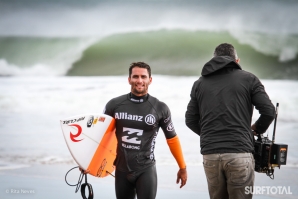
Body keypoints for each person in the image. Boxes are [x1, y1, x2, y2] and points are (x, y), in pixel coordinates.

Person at [185, 43, 275, 199]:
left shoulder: (200, 83)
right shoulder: (249, 79)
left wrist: (209, 134)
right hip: (239, 153)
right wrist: (255, 129)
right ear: (236, 61)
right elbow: (269, 111)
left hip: (210, 155)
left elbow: (190, 120)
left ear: (214, 60)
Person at [104, 61, 187, 199]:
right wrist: (88, 162)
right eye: (135, 76)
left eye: (143, 77)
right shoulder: (114, 105)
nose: (139, 80)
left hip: (146, 170)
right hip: (121, 170)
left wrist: (182, 167)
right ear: (129, 79)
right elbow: (100, 135)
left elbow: (172, 139)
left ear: (150, 80)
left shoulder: (159, 108)